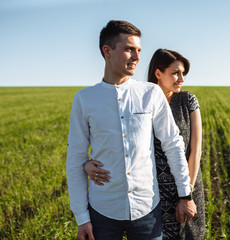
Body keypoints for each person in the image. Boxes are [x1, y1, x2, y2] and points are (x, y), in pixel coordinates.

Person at [66, 20, 196, 240]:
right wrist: (82, 217)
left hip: (147, 211)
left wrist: (185, 194)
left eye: (139, 50)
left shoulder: (150, 93)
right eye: (129, 49)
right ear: (107, 51)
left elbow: (173, 144)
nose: (137, 57)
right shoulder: (84, 99)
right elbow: (75, 157)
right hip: (102, 211)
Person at [84, 49, 206, 239]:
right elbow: (121, 142)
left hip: (184, 182)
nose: (181, 78)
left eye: (183, 73)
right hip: (150, 191)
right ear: (158, 73)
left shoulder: (187, 100)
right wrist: (86, 164)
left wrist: (187, 191)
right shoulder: (143, 99)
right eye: (175, 73)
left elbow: (195, 150)